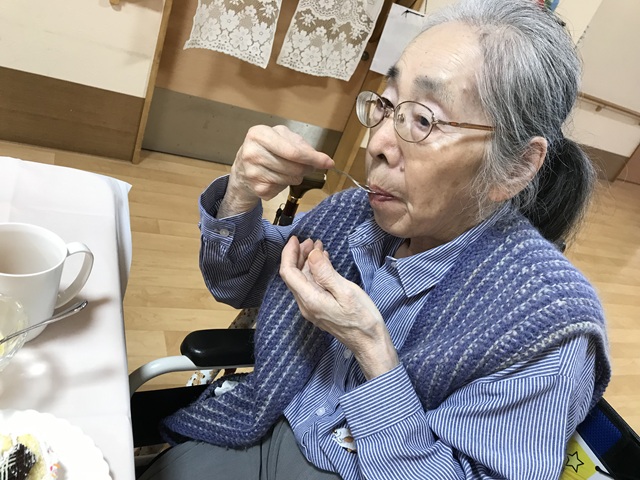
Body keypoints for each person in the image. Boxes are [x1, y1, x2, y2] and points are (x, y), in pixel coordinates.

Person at [140, 0, 610, 478]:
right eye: (387, 105)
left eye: (424, 120)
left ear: (515, 168)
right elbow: (237, 282)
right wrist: (240, 194)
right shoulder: (355, 213)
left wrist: (372, 350)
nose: (378, 143)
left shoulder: (548, 329)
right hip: (262, 419)